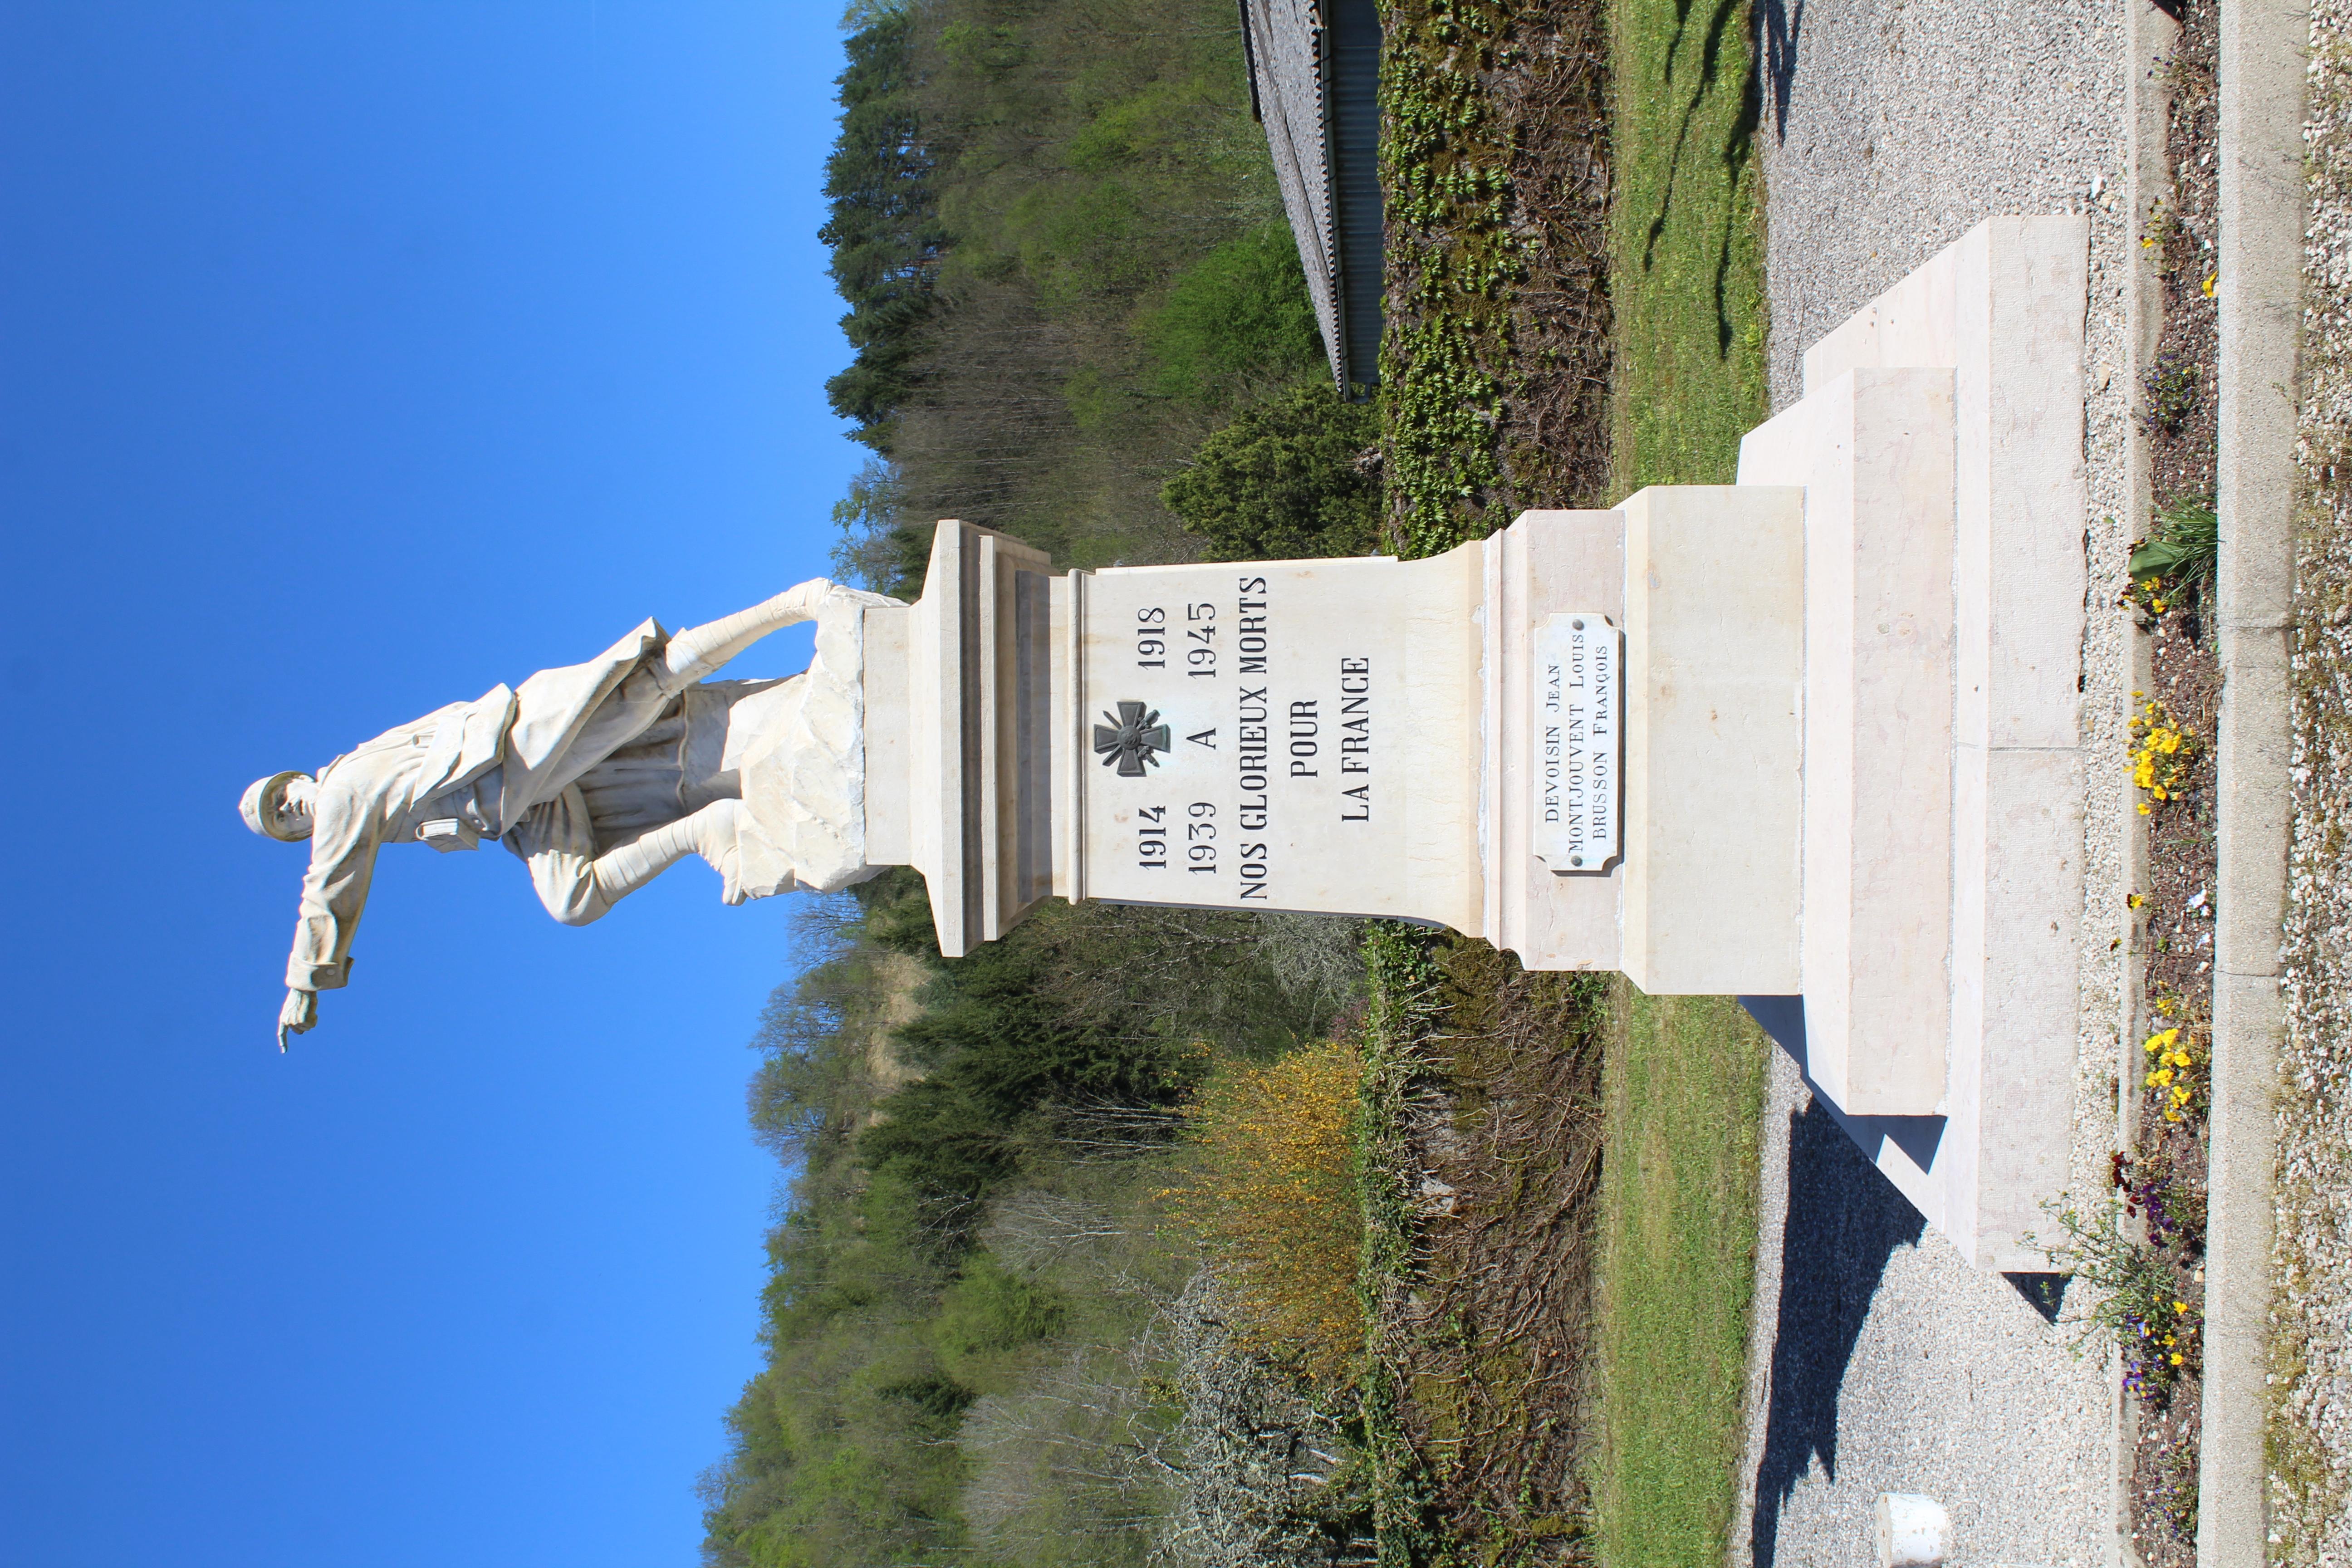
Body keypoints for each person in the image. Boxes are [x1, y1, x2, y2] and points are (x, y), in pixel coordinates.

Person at [242, 579, 841, 1049]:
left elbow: (329, 886)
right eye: (284, 822)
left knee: (650, 683)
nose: (293, 810)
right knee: (572, 902)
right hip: (516, 806)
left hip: (514, 754)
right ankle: (704, 830)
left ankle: (797, 601)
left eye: (281, 798)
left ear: (298, 777)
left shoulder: (344, 786)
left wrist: (303, 982)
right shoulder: (350, 805)